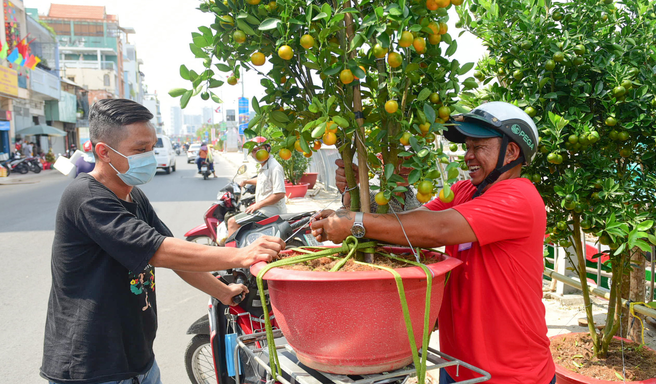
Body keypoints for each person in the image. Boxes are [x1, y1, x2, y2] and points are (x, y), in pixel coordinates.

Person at [41, 98, 285, 384]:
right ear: (104, 152)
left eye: (152, 147)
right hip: (91, 366)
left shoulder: (133, 196)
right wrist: (242, 255)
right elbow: (158, 251)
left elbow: (173, 253)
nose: (151, 156)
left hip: (138, 360)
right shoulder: (86, 198)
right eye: (140, 150)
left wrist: (221, 291)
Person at [311, 102, 555, 384]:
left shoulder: (519, 198)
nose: (468, 156)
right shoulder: (465, 191)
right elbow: (410, 222)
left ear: (512, 152)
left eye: (478, 147)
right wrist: (352, 195)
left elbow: (435, 229)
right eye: (467, 147)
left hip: (511, 375)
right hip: (456, 366)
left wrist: (356, 222)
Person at [226, 143, 286, 237]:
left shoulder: (275, 167)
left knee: (232, 222)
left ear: (268, 149)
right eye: (254, 151)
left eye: (259, 150)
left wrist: (258, 205)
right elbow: (263, 180)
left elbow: (280, 194)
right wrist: (246, 181)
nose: (257, 153)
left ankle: (233, 252)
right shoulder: (265, 165)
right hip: (264, 208)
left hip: (269, 211)